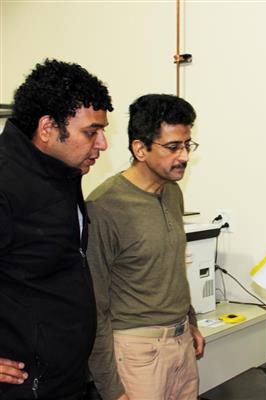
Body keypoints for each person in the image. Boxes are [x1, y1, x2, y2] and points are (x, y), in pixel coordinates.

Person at [0, 59, 112, 399]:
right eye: (91, 132)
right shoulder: (6, 181)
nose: (103, 144)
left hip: (66, 377)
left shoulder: (63, 172)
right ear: (48, 127)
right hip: (24, 386)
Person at [86, 94, 205, 400]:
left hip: (180, 344)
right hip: (137, 352)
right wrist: (111, 388)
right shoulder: (104, 207)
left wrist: (189, 321)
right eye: (172, 147)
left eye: (187, 144)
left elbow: (171, 266)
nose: (184, 156)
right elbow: (94, 304)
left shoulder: (172, 192)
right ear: (140, 149)